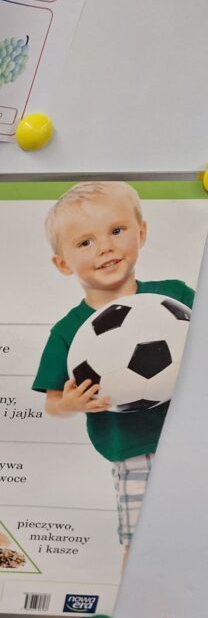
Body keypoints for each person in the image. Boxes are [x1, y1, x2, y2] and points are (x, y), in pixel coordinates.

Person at [32, 181, 195, 548]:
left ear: (142, 232)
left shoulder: (177, 296)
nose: (105, 247)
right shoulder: (68, 331)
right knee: (143, 543)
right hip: (135, 451)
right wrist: (70, 403)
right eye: (85, 242)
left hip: (196, 437)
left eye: (117, 231)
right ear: (63, 263)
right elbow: (52, 402)